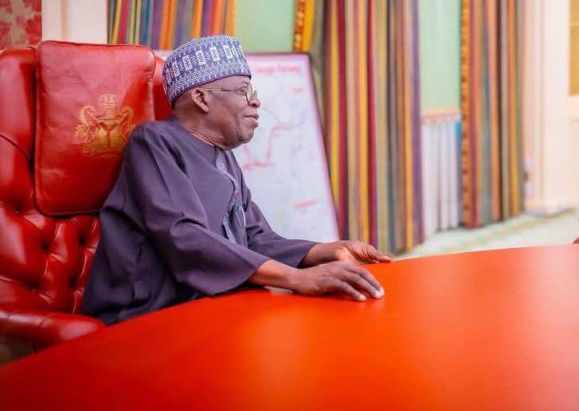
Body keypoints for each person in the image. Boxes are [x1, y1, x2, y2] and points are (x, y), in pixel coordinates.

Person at [82, 35, 389, 324]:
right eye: (243, 91)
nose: (255, 102)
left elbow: (254, 237)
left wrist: (328, 251)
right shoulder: (154, 141)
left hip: (210, 306)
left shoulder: (223, 156)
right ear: (201, 98)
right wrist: (295, 278)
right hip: (147, 314)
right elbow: (184, 235)